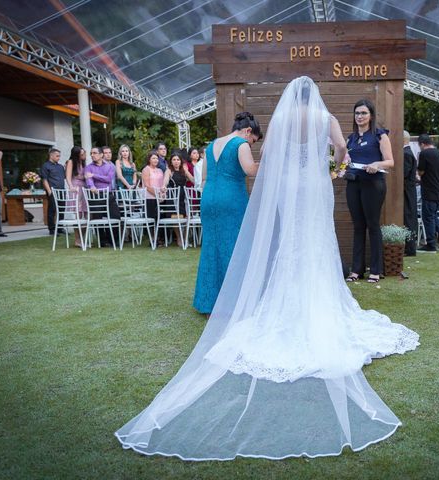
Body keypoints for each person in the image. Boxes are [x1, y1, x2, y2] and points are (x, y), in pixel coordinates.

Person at [115, 76, 419, 461]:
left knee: (291, 242)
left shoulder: (281, 119)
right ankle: (317, 300)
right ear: (316, 95)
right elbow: (343, 150)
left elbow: (271, 155)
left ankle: (285, 301)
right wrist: (334, 170)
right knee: (316, 242)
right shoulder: (325, 117)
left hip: (290, 187)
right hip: (314, 186)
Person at [192, 112, 263, 314]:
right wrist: (271, 161)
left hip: (209, 199)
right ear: (248, 131)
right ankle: (234, 302)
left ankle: (208, 302)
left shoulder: (211, 145)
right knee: (234, 246)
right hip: (231, 198)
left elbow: (204, 178)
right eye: (253, 141)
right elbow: (250, 169)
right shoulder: (240, 144)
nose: (251, 145)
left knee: (211, 248)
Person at [344, 99, 394, 283]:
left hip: (373, 184)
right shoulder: (351, 138)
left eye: (363, 113)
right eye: (357, 113)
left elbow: (390, 161)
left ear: (371, 115)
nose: (360, 116)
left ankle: (375, 270)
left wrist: (376, 164)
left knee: (373, 225)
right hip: (353, 184)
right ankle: (356, 270)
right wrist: (341, 167)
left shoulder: (380, 136)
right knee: (358, 226)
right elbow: (344, 160)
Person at [85, 146, 121, 246]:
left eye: (94, 153)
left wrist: (94, 175)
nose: (92, 155)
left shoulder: (109, 166)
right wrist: (91, 186)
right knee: (97, 218)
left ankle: (114, 240)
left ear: (101, 155)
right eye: (91, 153)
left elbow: (109, 179)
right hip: (95, 196)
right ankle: (103, 241)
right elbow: (88, 179)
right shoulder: (88, 167)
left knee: (116, 216)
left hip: (108, 195)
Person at [167, 152, 192, 247]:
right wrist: (163, 186)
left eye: (178, 160)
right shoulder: (169, 171)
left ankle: (185, 238)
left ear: (181, 161)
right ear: (171, 162)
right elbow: (165, 181)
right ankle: (179, 238)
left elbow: (193, 181)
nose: (176, 162)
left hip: (184, 198)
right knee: (175, 218)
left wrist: (187, 171)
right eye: (174, 160)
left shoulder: (183, 171)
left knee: (186, 218)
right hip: (173, 198)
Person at [40, 148, 65, 236]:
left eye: (59, 156)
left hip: (62, 191)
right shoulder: (45, 166)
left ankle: (60, 228)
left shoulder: (61, 167)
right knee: (52, 210)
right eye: (57, 156)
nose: (59, 158)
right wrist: (49, 191)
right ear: (51, 155)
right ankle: (52, 229)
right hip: (52, 191)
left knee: (62, 210)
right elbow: (44, 179)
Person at [65, 146, 87, 247]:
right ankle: (77, 239)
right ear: (76, 154)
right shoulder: (71, 162)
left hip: (84, 188)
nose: (83, 156)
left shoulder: (83, 163)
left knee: (86, 214)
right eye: (81, 154)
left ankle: (84, 238)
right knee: (77, 214)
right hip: (76, 189)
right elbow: (68, 177)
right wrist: (71, 187)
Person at [403, 131, 418, 256]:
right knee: (409, 217)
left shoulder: (406, 154)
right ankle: (409, 246)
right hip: (409, 189)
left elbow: (403, 173)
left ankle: (410, 248)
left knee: (408, 217)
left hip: (407, 190)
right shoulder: (408, 152)